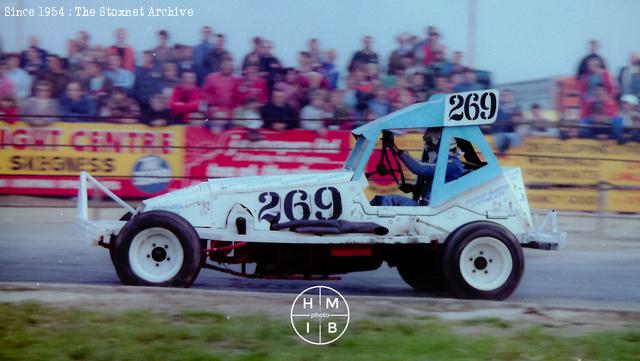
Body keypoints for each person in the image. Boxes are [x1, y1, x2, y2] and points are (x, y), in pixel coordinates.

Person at [370, 129, 464, 206]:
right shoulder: (444, 162)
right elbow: (433, 186)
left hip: (434, 211)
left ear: (440, 144)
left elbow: (419, 167)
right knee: (381, 200)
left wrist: (395, 148)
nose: (428, 148)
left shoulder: (452, 164)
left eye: (430, 144)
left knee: (385, 201)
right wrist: (413, 188)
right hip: (429, 208)